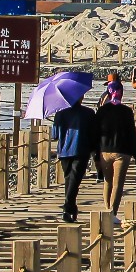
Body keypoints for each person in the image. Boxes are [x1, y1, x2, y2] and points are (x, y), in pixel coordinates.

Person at [90, 90, 136, 214]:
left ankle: (107, 210)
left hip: (104, 151)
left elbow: (95, 134)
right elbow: (132, 134)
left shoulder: (102, 111)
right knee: (118, 184)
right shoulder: (127, 111)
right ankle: (113, 213)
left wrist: (96, 156)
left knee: (107, 182)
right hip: (122, 152)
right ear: (121, 94)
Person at [52, 93, 99, 222]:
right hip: (81, 150)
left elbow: (54, 135)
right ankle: (68, 207)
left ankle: (70, 208)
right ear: (81, 98)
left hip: (64, 151)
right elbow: (94, 134)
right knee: (74, 179)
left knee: (70, 178)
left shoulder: (60, 113)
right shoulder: (89, 113)